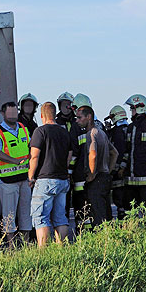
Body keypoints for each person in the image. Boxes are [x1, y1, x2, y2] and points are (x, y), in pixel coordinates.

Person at [28, 102, 71, 247]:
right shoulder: (64, 132)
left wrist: (31, 175)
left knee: (41, 217)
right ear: (54, 113)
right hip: (62, 179)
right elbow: (69, 156)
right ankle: (61, 249)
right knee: (60, 217)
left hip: (45, 180)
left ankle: (44, 252)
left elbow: (34, 156)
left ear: (41, 116)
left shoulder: (40, 131)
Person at [0, 102, 32, 245]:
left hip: (24, 178)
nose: (13, 116)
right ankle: (11, 247)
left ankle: (25, 244)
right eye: (10, 113)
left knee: (26, 213)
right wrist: (14, 161)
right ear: (3, 114)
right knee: (9, 215)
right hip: (6, 180)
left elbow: (30, 148)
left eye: (15, 112)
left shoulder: (24, 129)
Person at [75, 106, 118, 227]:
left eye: (79, 117)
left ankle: (101, 241)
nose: (77, 121)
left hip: (96, 181)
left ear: (89, 117)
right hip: (105, 178)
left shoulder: (91, 134)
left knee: (97, 215)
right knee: (106, 213)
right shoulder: (102, 133)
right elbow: (115, 153)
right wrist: (108, 171)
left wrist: (92, 174)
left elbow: (92, 154)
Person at [119, 94, 146, 208]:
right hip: (132, 179)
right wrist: (123, 167)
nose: (131, 111)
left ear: (139, 107)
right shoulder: (130, 128)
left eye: (132, 108)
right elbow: (127, 151)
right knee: (130, 210)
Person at [67, 93, 94, 232]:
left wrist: (69, 172)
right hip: (95, 175)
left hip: (79, 176)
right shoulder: (98, 125)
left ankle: (83, 232)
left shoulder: (75, 127)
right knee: (93, 205)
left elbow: (74, 152)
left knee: (80, 205)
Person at [105, 105, 129, 219]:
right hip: (129, 170)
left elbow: (116, 150)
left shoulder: (117, 132)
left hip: (118, 170)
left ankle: (122, 221)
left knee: (119, 197)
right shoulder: (130, 128)